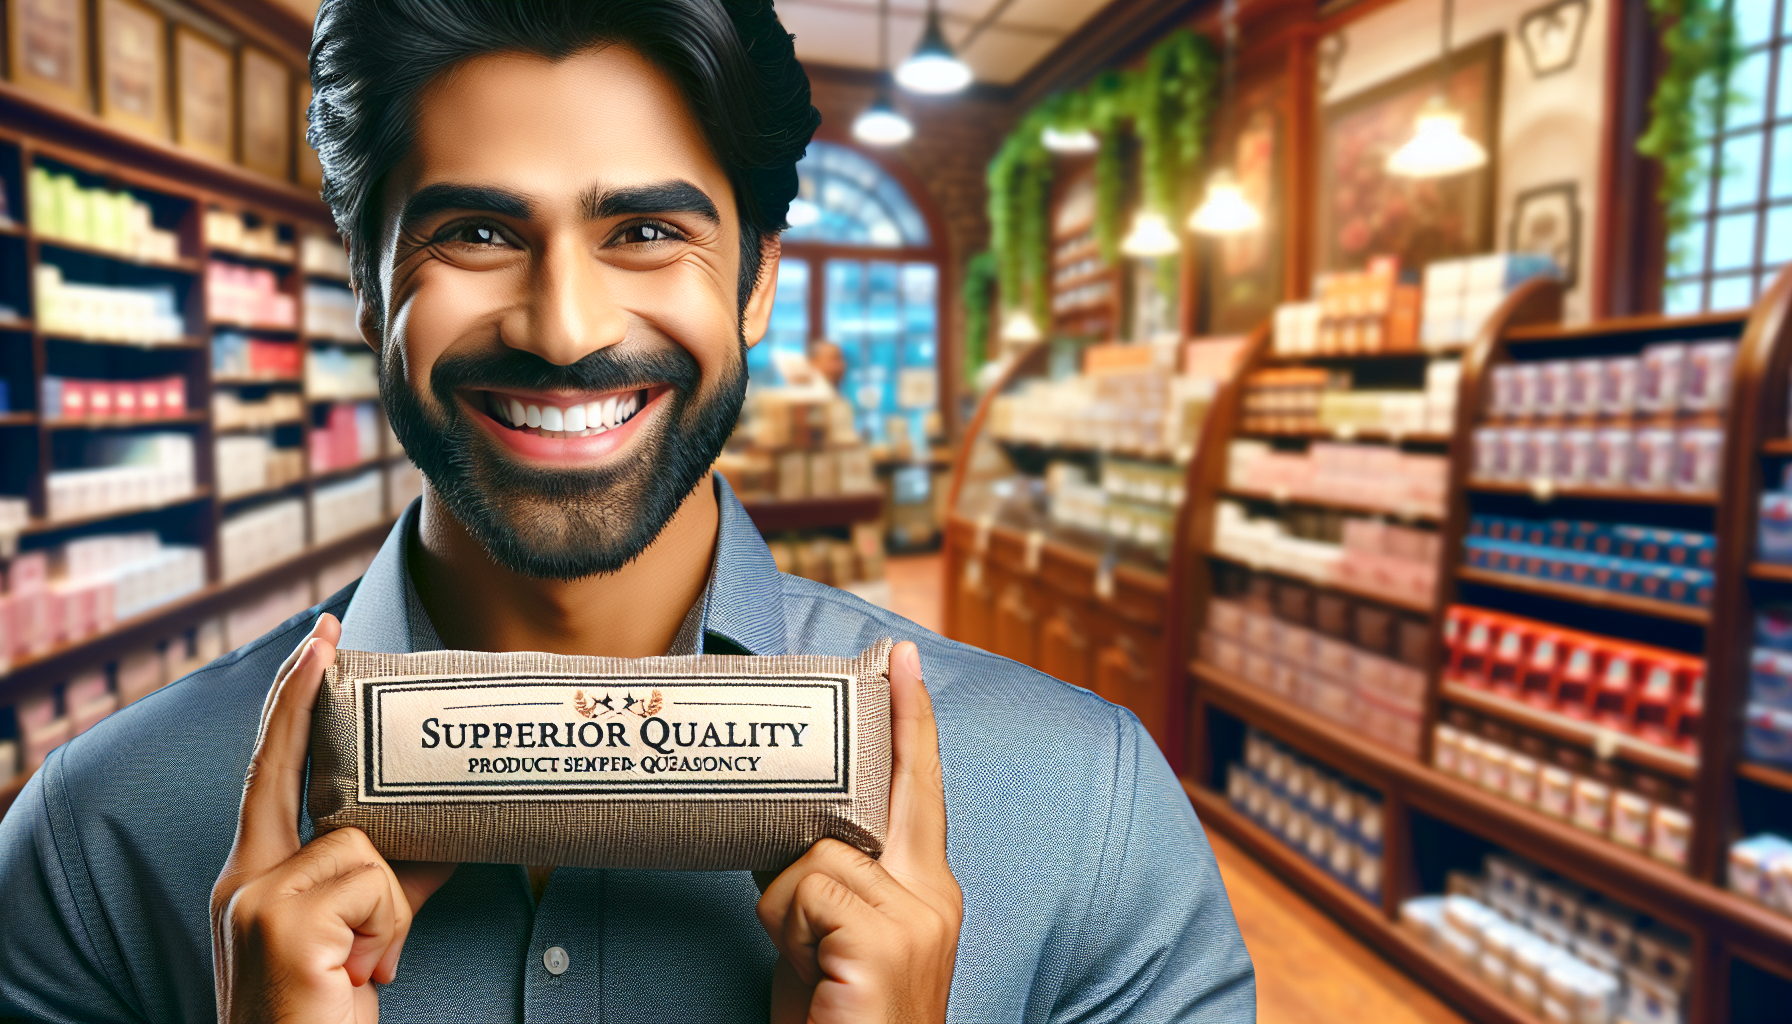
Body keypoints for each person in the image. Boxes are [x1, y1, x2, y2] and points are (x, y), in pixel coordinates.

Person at [0, 2, 1255, 1021]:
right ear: (366, 281)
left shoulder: (1084, 815)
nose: (565, 328)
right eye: (478, 231)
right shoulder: (94, 841)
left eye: (647, 231)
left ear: (759, 281)